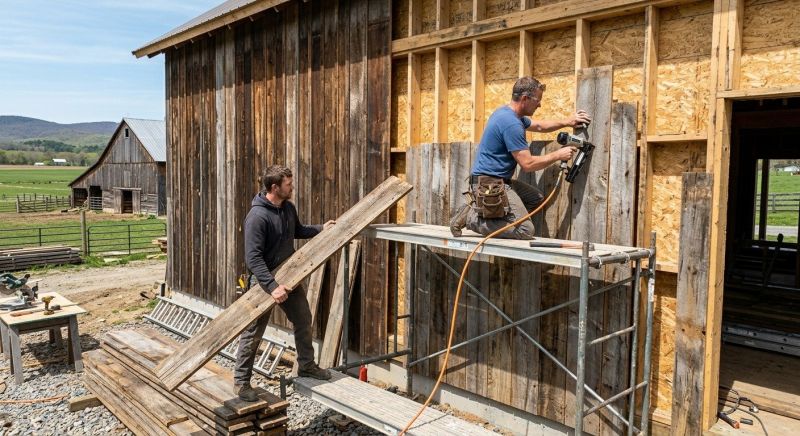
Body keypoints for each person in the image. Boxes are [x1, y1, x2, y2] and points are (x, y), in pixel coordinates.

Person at [234, 165, 335, 402]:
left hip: (288, 278)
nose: (292, 187)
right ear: (274, 187)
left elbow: (297, 230)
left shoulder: (287, 208)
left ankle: (307, 365)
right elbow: (253, 259)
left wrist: (321, 228)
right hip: (263, 283)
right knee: (253, 333)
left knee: (302, 318)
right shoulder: (257, 218)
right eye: (288, 184)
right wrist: (272, 286)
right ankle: (241, 383)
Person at [449, 76, 592, 239]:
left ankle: (487, 214)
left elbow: (539, 126)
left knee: (535, 198)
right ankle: (471, 218)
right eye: (537, 100)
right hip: (488, 183)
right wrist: (558, 155)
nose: (540, 104)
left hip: (499, 181)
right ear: (525, 98)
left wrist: (568, 121)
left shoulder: (508, 114)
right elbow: (528, 164)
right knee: (525, 229)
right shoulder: (511, 124)